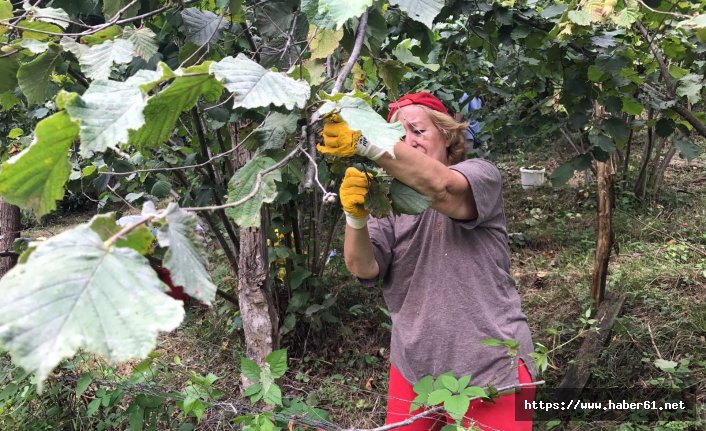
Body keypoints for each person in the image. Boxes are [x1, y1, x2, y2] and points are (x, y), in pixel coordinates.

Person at [317, 92, 536, 431]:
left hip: (495, 368)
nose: (408, 141)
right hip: (414, 369)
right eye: (397, 135)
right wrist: (355, 217)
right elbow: (363, 267)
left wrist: (365, 140)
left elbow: (442, 189)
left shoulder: (480, 175)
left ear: (448, 136)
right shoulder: (387, 202)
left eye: (418, 131)